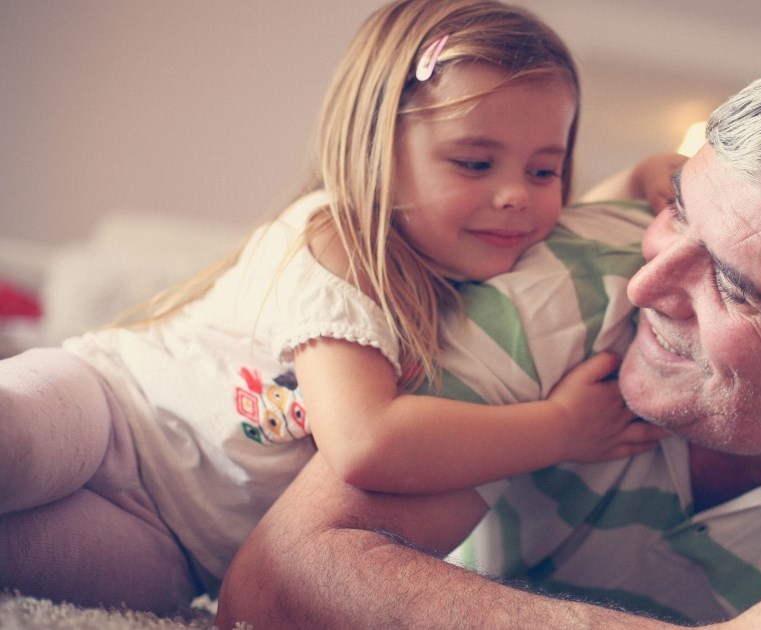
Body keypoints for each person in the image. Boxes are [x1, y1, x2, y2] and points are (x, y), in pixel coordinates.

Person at [216, 57, 761, 628]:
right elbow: (275, 579)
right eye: (676, 205)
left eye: (730, 282)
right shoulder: (576, 277)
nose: (647, 285)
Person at [0, 0, 673, 613]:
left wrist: (646, 178)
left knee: (25, 557)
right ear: (378, 146)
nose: (515, 197)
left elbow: (582, 227)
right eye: (474, 164)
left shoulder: (483, 263)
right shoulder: (340, 240)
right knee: (19, 439)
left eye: (543, 170)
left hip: (183, 550)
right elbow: (365, 442)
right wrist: (558, 428)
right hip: (116, 410)